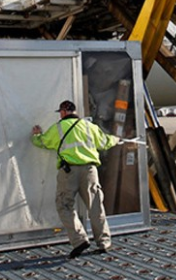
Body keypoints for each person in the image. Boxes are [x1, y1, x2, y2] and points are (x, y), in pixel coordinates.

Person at [31, 100, 120, 259]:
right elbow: (105, 142)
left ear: (64, 112)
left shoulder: (58, 128)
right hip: (90, 171)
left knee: (64, 205)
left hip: (69, 171)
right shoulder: (89, 126)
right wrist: (116, 139)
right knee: (95, 206)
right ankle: (104, 242)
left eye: (60, 111)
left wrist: (37, 135)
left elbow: (43, 142)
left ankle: (79, 240)